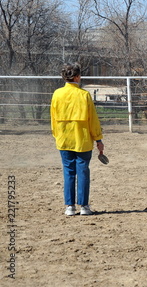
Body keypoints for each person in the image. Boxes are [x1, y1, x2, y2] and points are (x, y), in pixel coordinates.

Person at [51, 63, 104, 216]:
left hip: (64, 140)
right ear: (76, 77)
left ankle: (69, 207)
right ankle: (84, 207)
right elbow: (93, 120)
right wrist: (98, 140)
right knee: (83, 172)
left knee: (68, 172)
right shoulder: (84, 95)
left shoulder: (57, 94)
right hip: (82, 141)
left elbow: (53, 120)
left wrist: (57, 135)